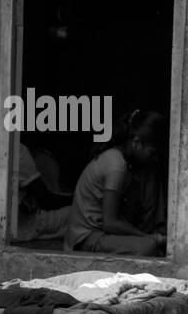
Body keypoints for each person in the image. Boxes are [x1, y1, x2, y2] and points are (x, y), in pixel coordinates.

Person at [64, 110, 166, 256]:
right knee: (149, 247)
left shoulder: (123, 161)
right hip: (86, 239)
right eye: (152, 153)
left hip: (100, 234)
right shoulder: (116, 166)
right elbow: (111, 223)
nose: (154, 158)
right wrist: (145, 237)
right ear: (136, 143)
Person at [14, 142, 72, 242]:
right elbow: (45, 200)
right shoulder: (17, 149)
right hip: (24, 227)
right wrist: (77, 198)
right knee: (80, 213)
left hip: (10, 226)